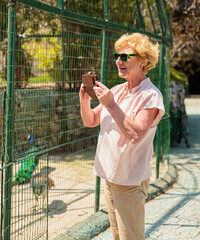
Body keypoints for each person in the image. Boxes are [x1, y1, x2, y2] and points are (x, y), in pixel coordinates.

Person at [79, 33, 165, 240]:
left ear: (144, 61)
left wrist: (110, 104)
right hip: (110, 178)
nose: (118, 61)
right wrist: (83, 100)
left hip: (129, 182)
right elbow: (90, 121)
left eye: (125, 57)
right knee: (118, 236)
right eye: (117, 56)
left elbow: (136, 134)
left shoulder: (150, 95)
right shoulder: (116, 91)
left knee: (131, 237)